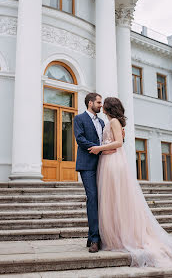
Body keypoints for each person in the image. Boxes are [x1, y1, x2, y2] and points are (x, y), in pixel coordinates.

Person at [88, 97, 172, 267]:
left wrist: (99, 149)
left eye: (104, 104)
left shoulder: (114, 123)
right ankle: (114, 236)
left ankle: (124, 236)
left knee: (117, 198)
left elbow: (118, 143)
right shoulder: (111, 122)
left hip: (113, 162)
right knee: (110, 200)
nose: (102, 106)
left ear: (109, 108)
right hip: (107, 161)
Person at [74, 93, 115, 253]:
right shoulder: (79, 119)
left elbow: (106, 140)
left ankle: (94, 235)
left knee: (102, 199)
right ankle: (95, 240)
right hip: (87, 165)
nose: (101, 105)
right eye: (98, 102)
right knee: (92, 198)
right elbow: (80, 139)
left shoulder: (103, 121)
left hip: (103, 164)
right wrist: (99, 150)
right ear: (90, 103)